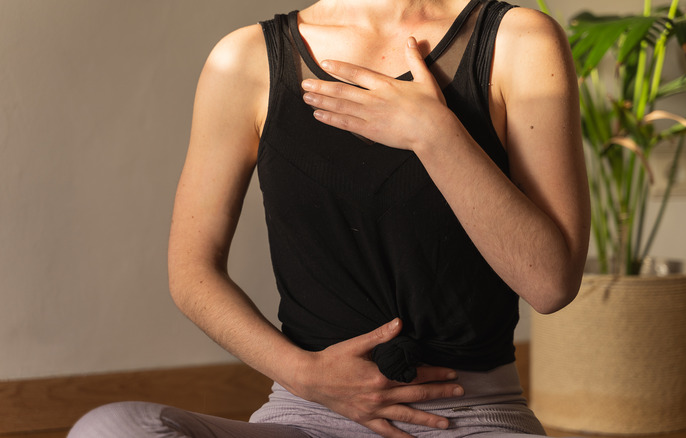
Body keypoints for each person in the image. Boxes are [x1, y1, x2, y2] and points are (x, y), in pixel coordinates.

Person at [68, 0, 589, 436]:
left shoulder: (519, 40)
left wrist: (434, 135)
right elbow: (191, 271)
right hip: (311, 416)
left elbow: (549, 284)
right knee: (112, 428)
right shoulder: (244, 59)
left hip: (472, 417)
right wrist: (303, 374)